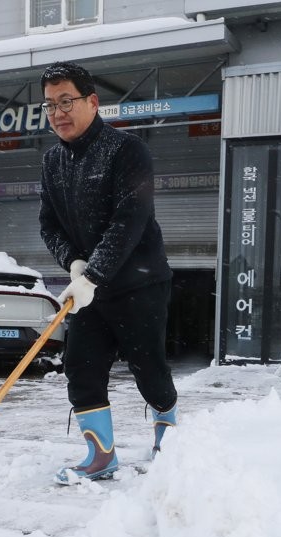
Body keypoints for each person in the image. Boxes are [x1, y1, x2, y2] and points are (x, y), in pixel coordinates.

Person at [37, 61, 178, 485]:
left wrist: (92, 275)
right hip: (88, 290)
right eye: (49, 105)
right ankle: (100, 455)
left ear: (92, 102)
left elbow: (130, 219)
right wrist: (74, 266)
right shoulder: (52, 162)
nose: (58, 113)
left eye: (67, 101)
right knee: (80, 367)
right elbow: (48, 224)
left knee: (148, 367)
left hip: (140, 282)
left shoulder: (127, 150)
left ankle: (168, 446)